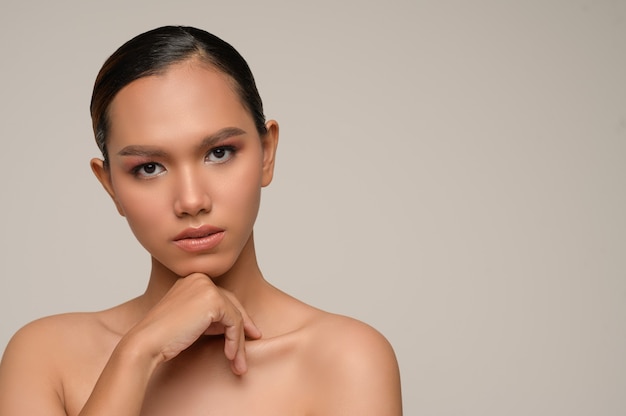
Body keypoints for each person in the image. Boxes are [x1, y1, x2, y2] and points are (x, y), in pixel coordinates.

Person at [0, 26, 402, 415]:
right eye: (150, 167)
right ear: (110, 186)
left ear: (267, 152)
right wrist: (139, 352)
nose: (191, 201)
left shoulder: (346, 360)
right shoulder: (45, 356)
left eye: (220, 153)